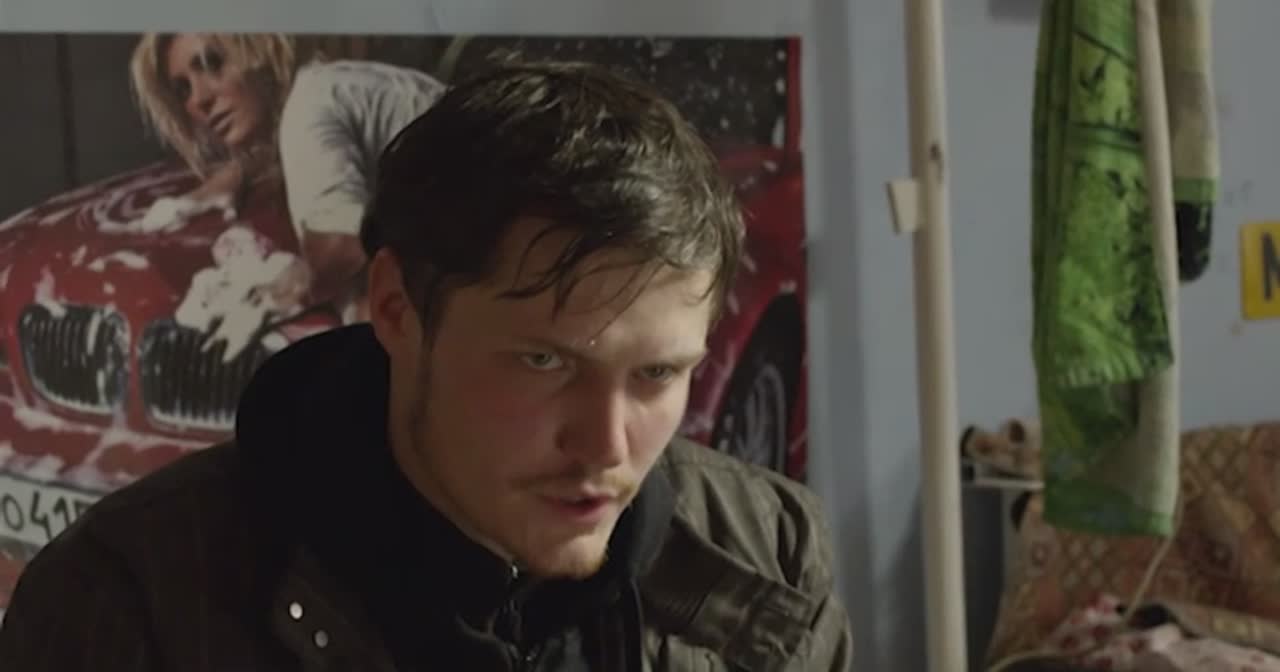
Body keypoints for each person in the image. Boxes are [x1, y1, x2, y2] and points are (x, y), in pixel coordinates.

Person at [0, 61, 853, 671]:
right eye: (544, 360)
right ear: (397, 308)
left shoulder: (767, 550)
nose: (607, 446)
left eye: (657, 375)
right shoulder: (130, 599)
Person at [129, 32, 446, 334]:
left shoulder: (306, 108)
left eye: (213, 64)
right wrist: (205, 193)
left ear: (260, 52)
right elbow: (266, 160)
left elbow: (341, 249)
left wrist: (274, 287)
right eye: (183, 89)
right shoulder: (321, 87)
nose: (199, 99)